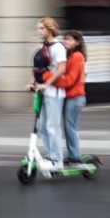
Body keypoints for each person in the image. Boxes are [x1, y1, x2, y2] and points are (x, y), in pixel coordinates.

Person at [25, 17, 67, 172]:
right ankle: (50, 157)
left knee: (52, 126)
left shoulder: (58, 47)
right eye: (38, 28)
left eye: (41, 28)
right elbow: (36, 69)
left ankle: (57, 160)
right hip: (42, 92)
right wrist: (31, 83)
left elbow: (61, 70)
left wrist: (46, 84)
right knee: (43, 127)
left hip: (54, 92)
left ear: (50, 29)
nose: (39, 31)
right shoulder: (41, 46)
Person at [39, 29, 86, 165]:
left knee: (69, 127)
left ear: (77, 42)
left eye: (70, 39)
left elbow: (69, 80)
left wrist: (48, 77)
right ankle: (71, 155)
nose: (66, 41)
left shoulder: (77, 56)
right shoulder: (69, 55)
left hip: (75, 97)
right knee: (65, 126)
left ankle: (74, 156)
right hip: (68, 96)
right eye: (65, 39)